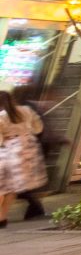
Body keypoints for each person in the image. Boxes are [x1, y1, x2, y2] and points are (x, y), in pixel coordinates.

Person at [0, 89, 47, 224]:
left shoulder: (1, 116)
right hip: (26, 149)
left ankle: (1, 216)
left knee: (2, 186)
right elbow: (38, 128)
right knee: (12, 186)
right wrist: (26, 132)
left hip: (7, 150)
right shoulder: (26, 110)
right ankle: (2, 217)